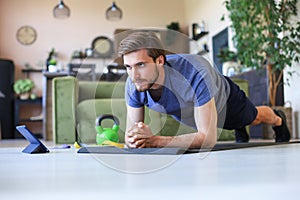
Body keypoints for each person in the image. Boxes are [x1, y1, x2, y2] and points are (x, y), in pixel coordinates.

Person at [118, 31, 290, 149]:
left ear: (160, 61)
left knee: (253, 117)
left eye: (140, 65)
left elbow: (207, 140)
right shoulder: (133, 83)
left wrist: (154, 141)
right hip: (195, 113)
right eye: (128, 67)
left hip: (226, 101)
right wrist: (134, 138)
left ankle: (277, 119)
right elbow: (132, 132)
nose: (134, 75)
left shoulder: (195, 72)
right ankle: (240, 126)